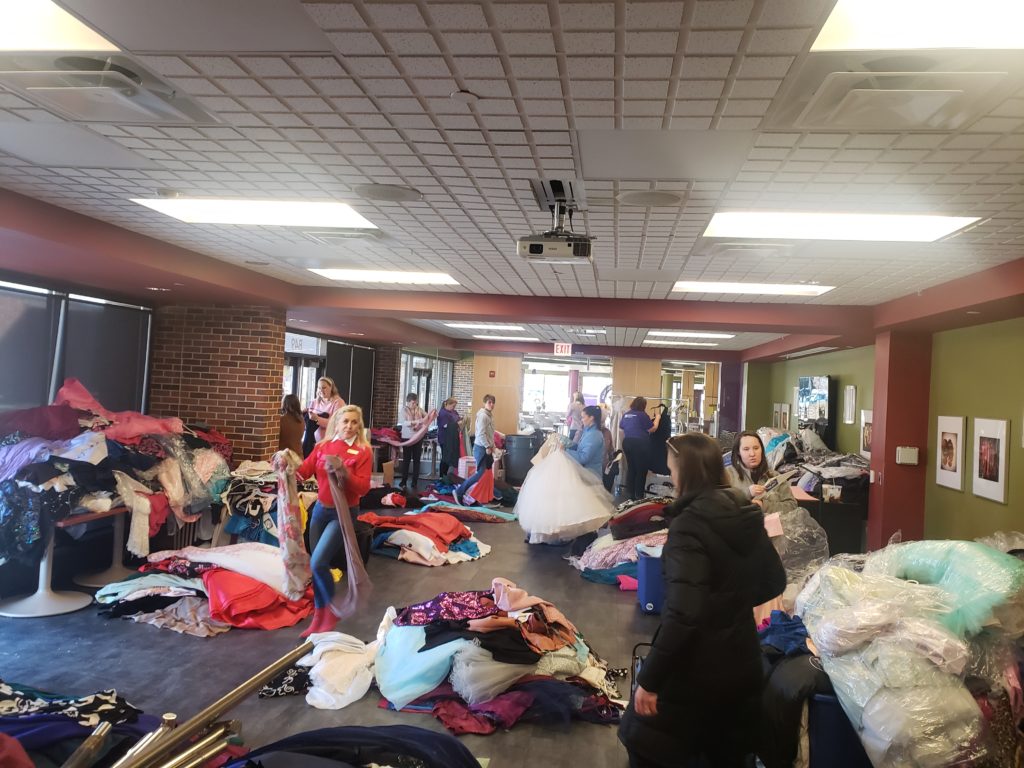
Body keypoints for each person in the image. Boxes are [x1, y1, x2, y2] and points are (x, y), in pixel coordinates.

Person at [618, 433, 786, 768]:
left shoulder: (688, 526)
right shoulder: (744, 510)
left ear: (687, 471)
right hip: (742, 661)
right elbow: (773, 580)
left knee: (646, 745)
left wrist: (649, 679)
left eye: (672, 469)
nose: (671, 477)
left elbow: (683, 614)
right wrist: (728, 602)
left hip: (695, 669)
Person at [296, 404, 372, 637]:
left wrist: (344, 473)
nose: (349, 426)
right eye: (345, 421)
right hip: (320, 511)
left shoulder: (363, 451)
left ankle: (328, 613)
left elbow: (363, 488)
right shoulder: (323, 446)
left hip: (343, 514)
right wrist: (286, 464)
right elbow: (304, 471)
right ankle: (320, 616)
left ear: (359, 426)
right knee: (317, 565)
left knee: (319, 562)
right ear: (336, 423)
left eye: (354, 422)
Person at [725, 431, 798, 516]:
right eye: (746, 449)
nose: (752, 454)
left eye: (756, 448)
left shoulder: (775, 476)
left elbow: (792, 506)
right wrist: (746, 494)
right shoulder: (727, 475)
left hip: (773, 527)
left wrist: (764, 506)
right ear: (738, 452)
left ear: (762, 450)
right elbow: (720, 506)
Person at [453, 394, 495, 505]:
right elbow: (480, 434)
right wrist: (487, 446)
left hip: (486, 448)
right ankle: (460, 491)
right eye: (489, 402)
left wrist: (493, 447)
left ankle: (484, 497)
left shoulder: (489, 415)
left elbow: (489, 434)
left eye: (493, 402)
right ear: (484, 403)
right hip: (481, 448)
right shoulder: (483, 416)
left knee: (487, 474)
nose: (491, 404)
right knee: (480, 473)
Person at [620, 397, 661, 500]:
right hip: (640, 444)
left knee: (632, 469)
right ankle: (639, 495)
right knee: (641, 470)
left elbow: (621, 427)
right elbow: (652, 428)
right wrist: (658, 418)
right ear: (643, 405)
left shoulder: (626, 414)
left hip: (627, 443)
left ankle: (630, 494)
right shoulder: (642, 415)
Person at [563, 405, 604, 479]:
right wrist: (567, 444)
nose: (581, 420)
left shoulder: (594, 435)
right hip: (585, 471)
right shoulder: (588, 431)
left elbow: (584, 458)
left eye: (583, 417)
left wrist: (565, 450)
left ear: (591, 418)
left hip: (590, 475)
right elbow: (581, 448)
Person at [398, 392, 427, 489]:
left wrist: (427, 418)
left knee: (417, 460)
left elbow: (426, 417)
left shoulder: (419, 409)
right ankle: (403, 481)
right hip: (407, 437)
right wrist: (415, 422)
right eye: (412, 403)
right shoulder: (403, 410)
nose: (414, 405)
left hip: (418, 437)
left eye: (415, 403)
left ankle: (415, 481)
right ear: (408, 402)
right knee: (406, 460)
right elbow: (403, 422)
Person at [306, 377, 345, 444]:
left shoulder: (338, 402)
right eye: (319, 388)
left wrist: (317, 419)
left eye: (324, 388)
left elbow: (336, 424)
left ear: (331, 388)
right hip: (313, 442)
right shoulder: (314, 402)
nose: (321, 390)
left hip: (331, 442)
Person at [437, 397, 462, 477]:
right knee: (445, 458)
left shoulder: (453, 411)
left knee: (449, 457)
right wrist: (457, 424)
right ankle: (442, 476)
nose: (454, 408)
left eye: (455, 406)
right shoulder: (443, 413)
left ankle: (445, 475)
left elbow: (457, 418)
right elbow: (445, 425)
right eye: (453, 406)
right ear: (447, 404)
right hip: (445, 439)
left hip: (451, 438)